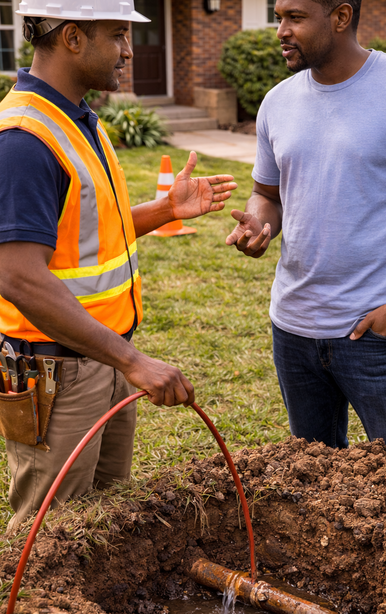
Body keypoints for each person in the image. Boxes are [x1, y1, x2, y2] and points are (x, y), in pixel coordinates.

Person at [0, 0, 237, 530]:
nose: (129, 51)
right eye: (118, 35)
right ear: (73, 38)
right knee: (50, 537)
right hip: (56, 371)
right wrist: (132, 362)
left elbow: (83, 231)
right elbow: (16, 274)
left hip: (97, 356)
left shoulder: (77, 117)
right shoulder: (23, 140)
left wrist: (164, 210)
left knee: (102, 525)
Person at [226, 0, 386, 448]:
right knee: (312, 488)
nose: (280, 31)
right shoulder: (278, 102)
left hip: (379, 333)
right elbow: (268, 194)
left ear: (341, 17)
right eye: (278, 17)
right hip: (293, 329)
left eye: (295, 18)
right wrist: (260, 226)